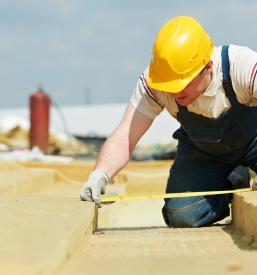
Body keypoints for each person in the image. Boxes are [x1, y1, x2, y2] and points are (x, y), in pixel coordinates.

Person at [80, 16, 257, 228]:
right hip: (204, 152)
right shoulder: (156, 82)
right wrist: (100, 174)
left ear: (208, 66)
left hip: (253, 141)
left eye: (182, 83)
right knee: (182, 214)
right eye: (170, 85)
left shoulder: (241, 66)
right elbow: (125, 136)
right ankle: (234, 179)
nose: (174, 92)